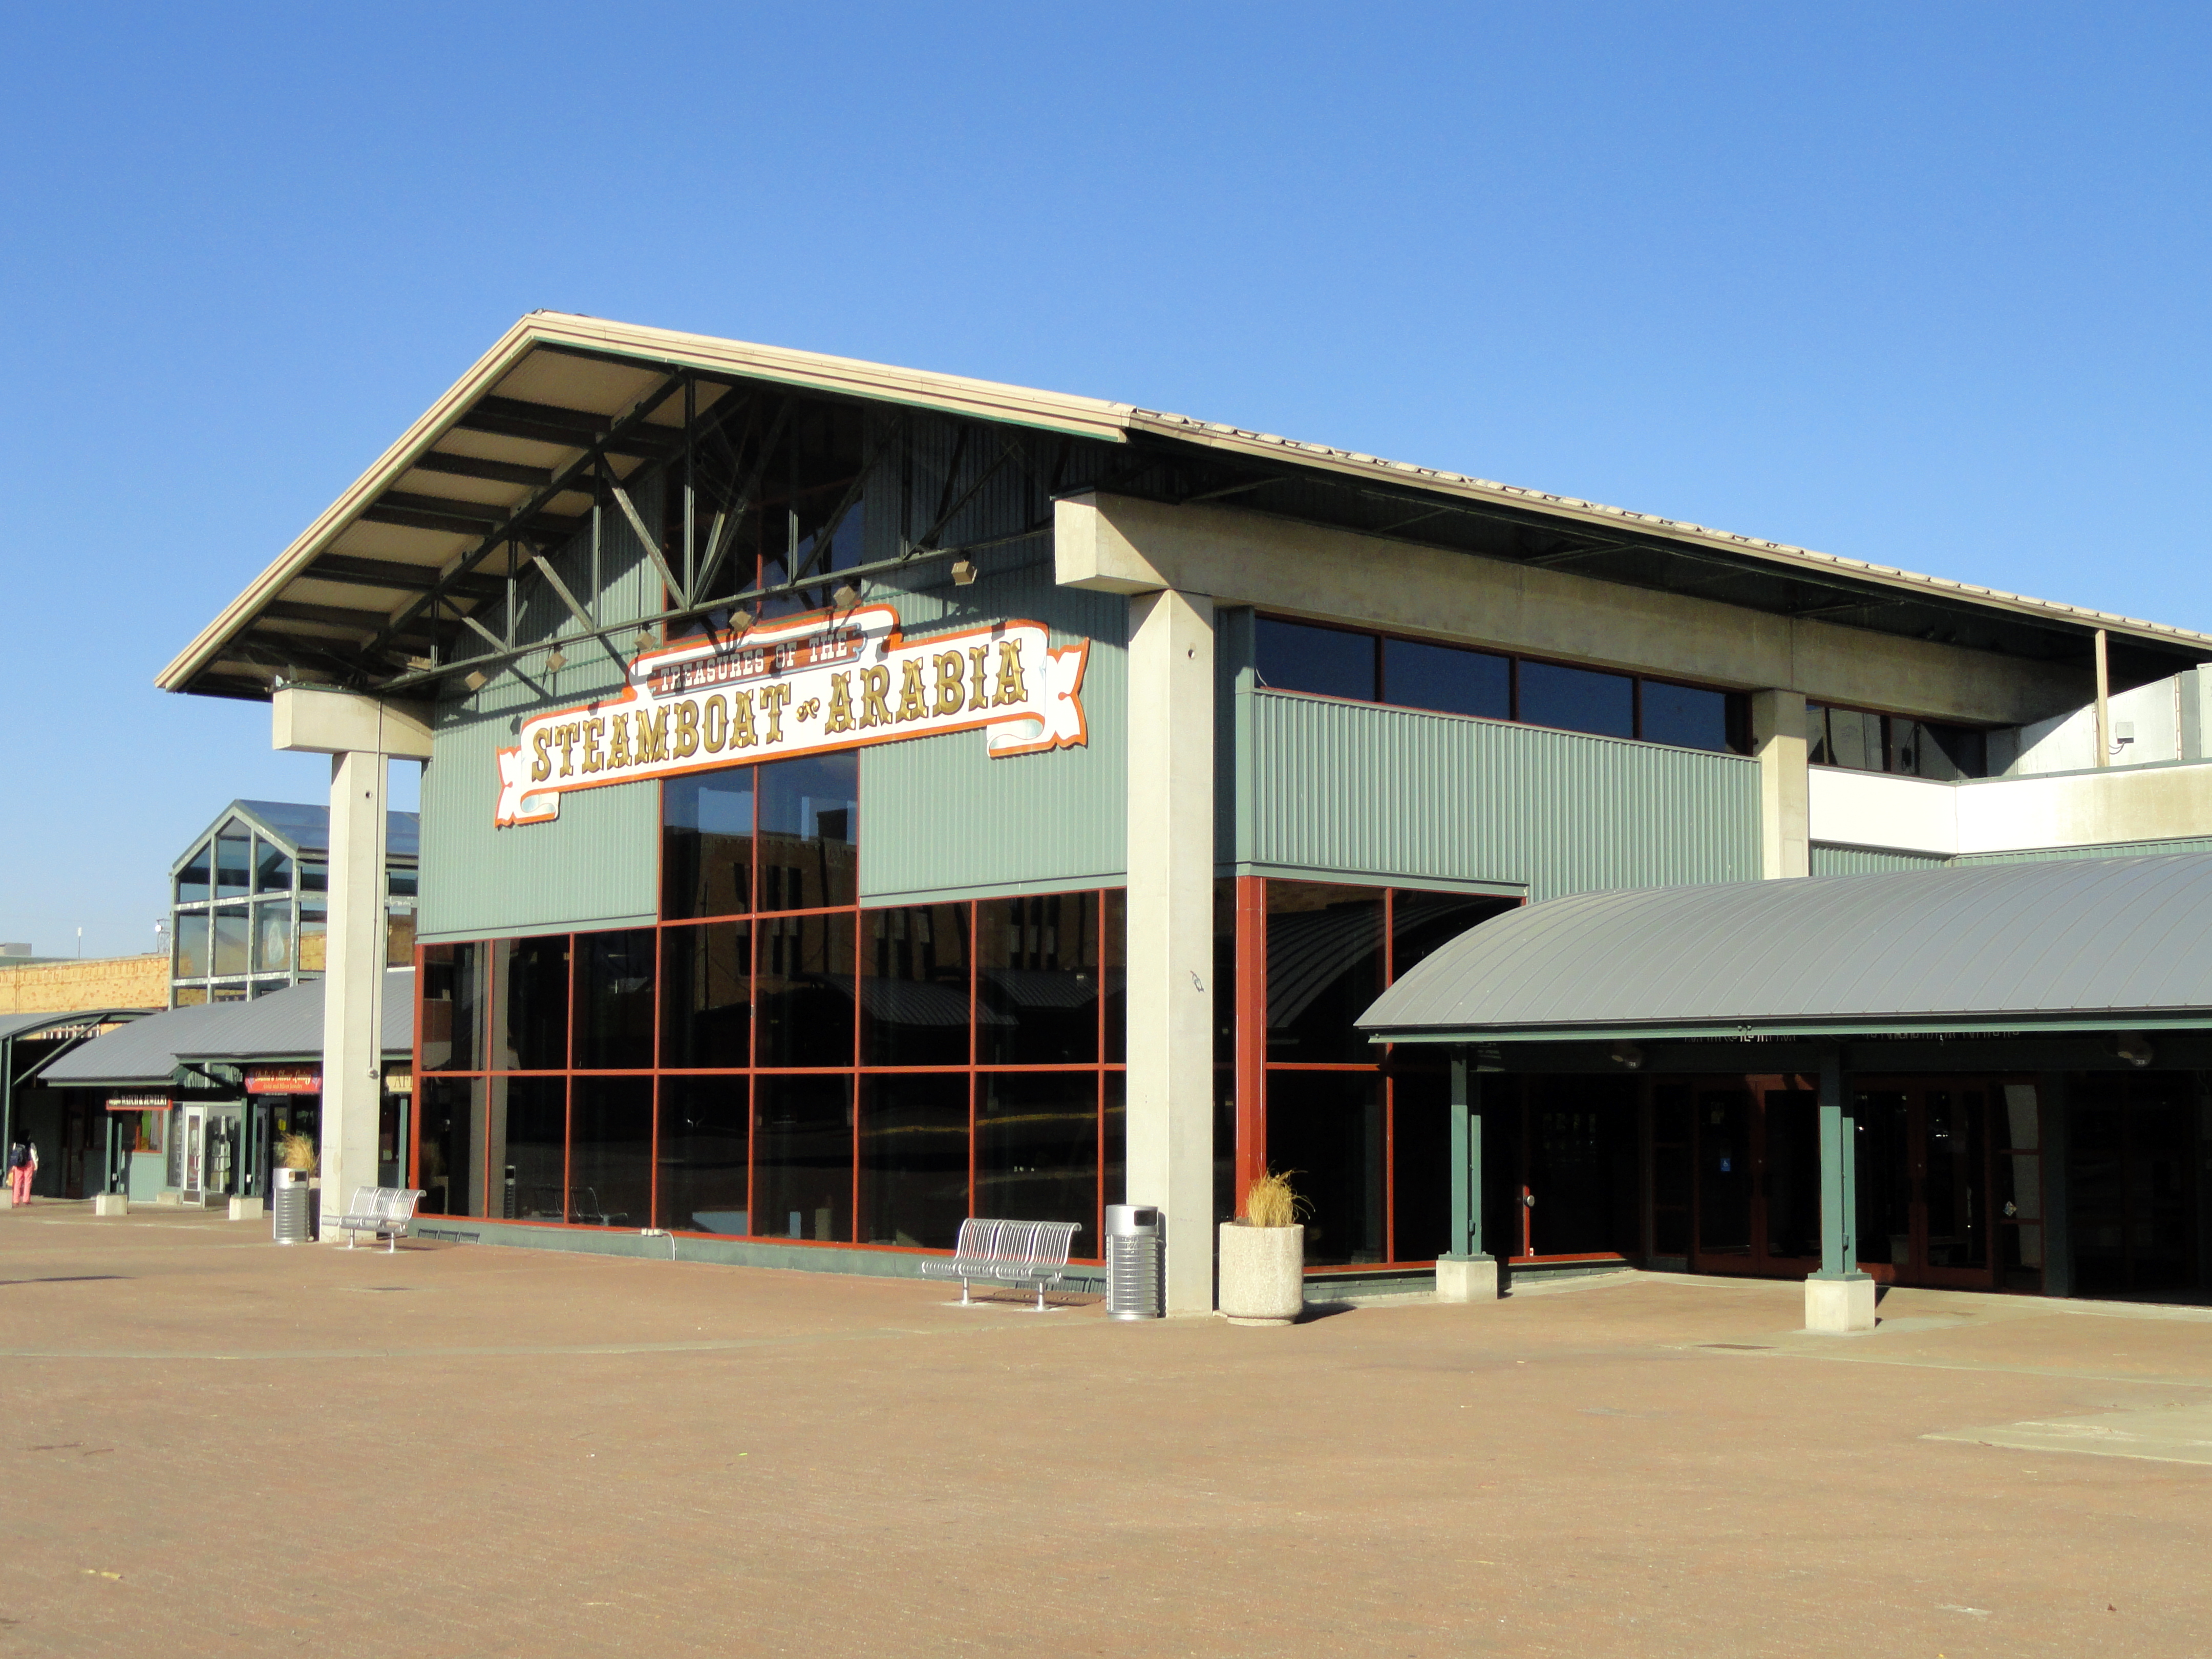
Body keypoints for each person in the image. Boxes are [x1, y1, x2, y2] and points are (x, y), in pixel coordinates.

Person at [7, 1135, 33, 1205]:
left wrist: (14, 1165)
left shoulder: (16, 1144)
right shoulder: (30, 1144)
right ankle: (26, 1200)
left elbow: (14, 1155)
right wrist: (36, 1164)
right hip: (28, 1163)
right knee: (28, 1181)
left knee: (17, 1181)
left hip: (19, 1164)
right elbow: (33, 1154)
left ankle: (16, 1200)